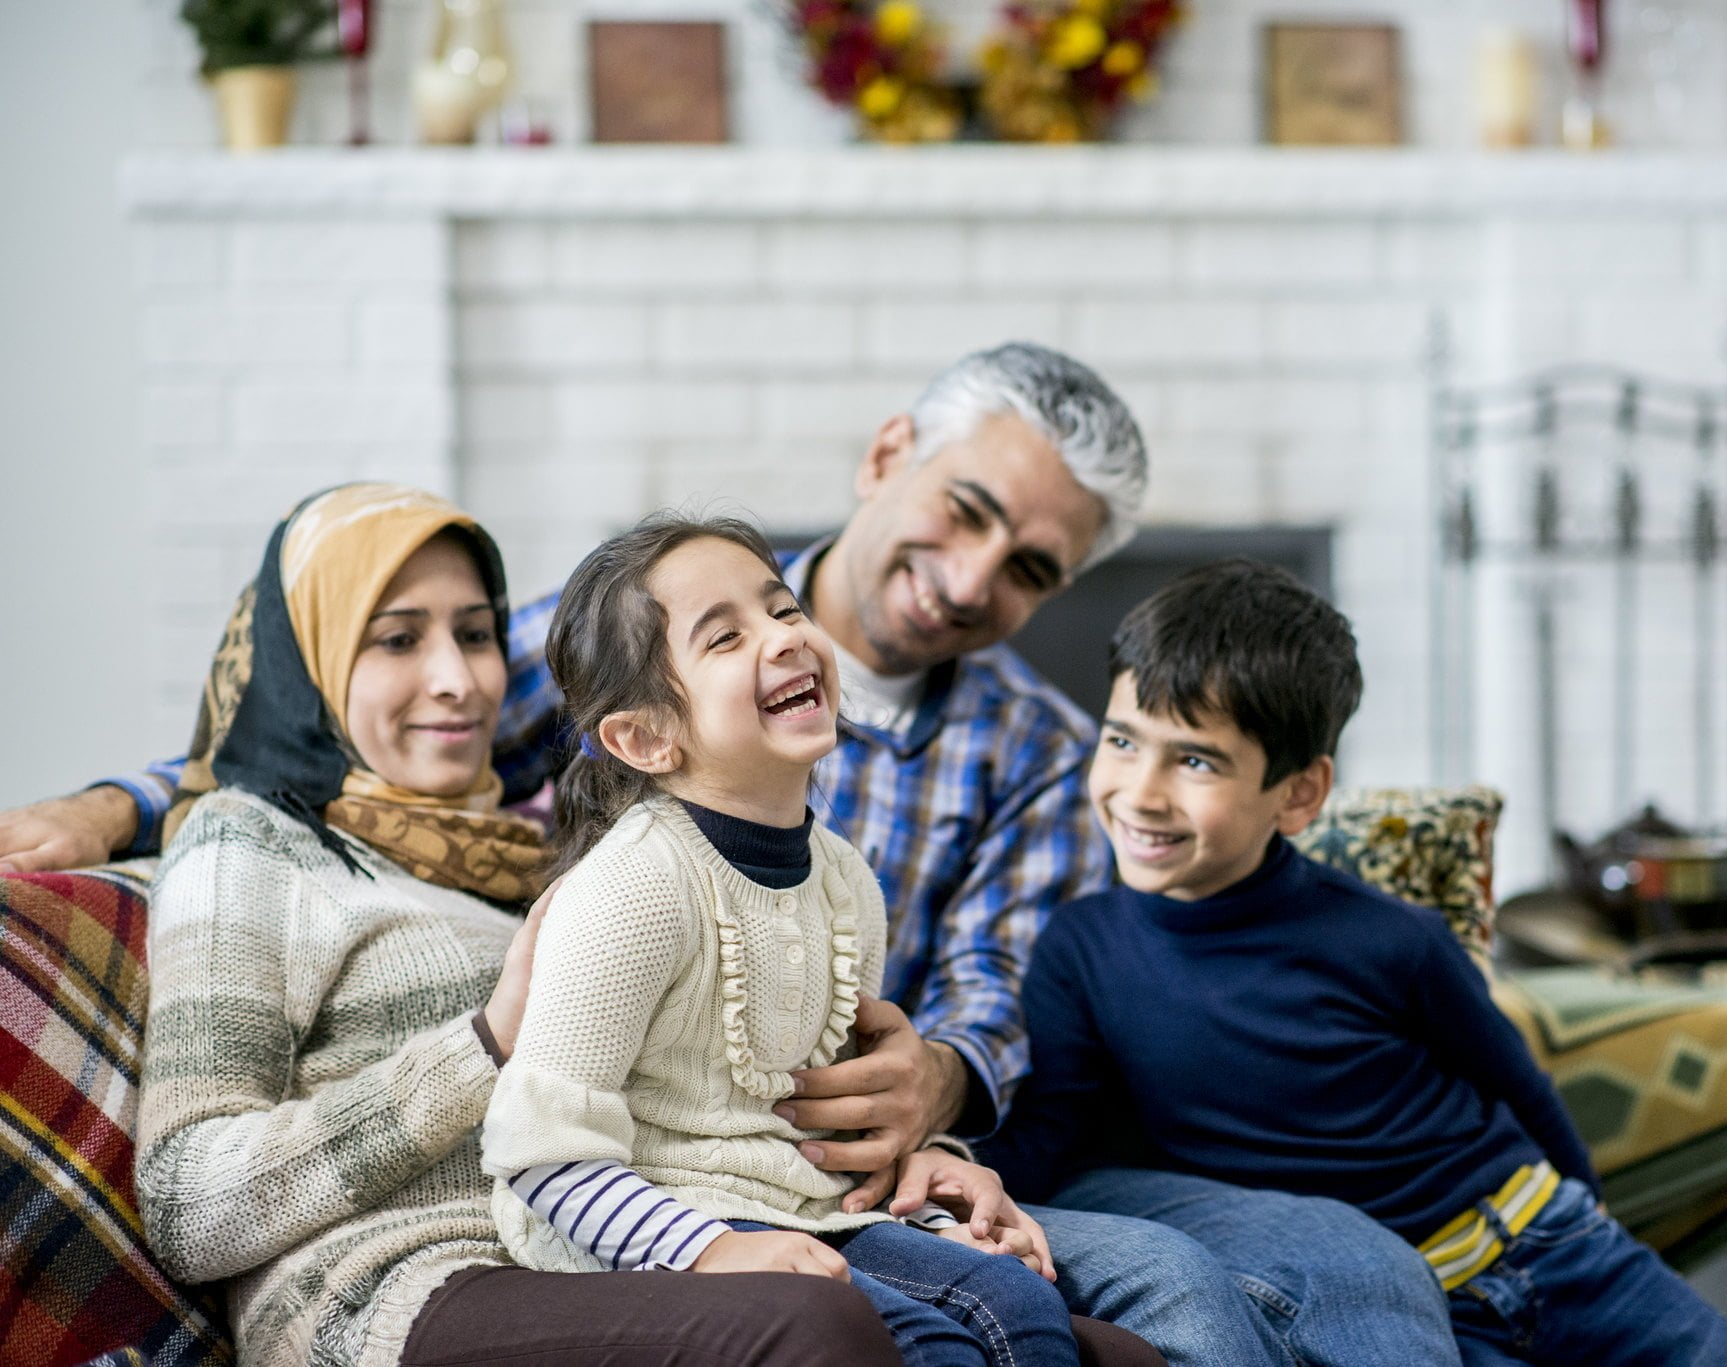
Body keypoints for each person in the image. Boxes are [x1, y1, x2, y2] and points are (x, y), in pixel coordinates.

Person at [21, 344, 1449, 1364]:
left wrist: (937, 1095)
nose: (969, 580)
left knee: (1269, 1279)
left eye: (1030, 571)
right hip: (557, 1229)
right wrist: (105, 808)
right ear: (889, 456)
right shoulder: (584, 742)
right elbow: (309, 733)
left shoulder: (544, 843)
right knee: (1073, 1300)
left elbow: (987, 990)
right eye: (965, 512)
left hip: (814, 1168)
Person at [136, 483, 902, 1367]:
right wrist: (483, 1044)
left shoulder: (546, 844)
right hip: (394, 1284)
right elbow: (188, 1203)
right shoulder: (250, 843)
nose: (458, 678)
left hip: (601, 1246)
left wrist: (915, 1158)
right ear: (308, 660)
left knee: (1054, 1331)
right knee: (813, 1324)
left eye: (475, 633)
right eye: (396, 638)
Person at [980, 559, 1727, 1366]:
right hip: (1407, 1307)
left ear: (1298, 794)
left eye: (1197, 761)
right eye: (1122, 741)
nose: (1141, 792)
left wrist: (1588, 1217)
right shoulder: (1080, 950)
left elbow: (1519, 1085)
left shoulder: (1390, 936)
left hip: (1554, 1246)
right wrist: (948, 1168)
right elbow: (1058, 1135)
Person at [478, 511, 1153, 1367]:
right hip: (647, 1222)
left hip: (800, 1210)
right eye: (725, 637)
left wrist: (943, 1216)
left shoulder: (846, 883)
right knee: (922, 1342)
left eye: (784, 609)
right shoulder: (633, 888)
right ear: (646, 735)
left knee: (1017, 1301)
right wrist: (710, 1249)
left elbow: (832, 1142)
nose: (784, 638)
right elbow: (537, 1156)